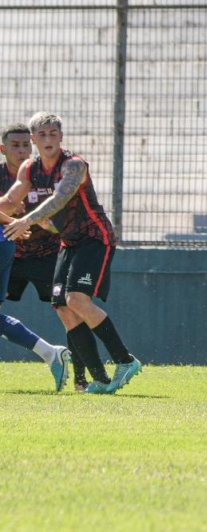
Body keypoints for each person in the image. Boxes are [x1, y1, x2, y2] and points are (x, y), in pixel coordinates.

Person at [1, 112, 141, 395]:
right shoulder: (30, 168)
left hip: (94, 237)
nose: (49, 139)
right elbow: (9, 200)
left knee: (76, 299)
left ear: (61, 137)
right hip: (67, 242)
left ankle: (125, 360)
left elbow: (60, 198)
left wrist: (27, 220)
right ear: (34, 139)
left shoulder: (73, 164)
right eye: (42, 135)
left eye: (54, 134)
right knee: (64, 308)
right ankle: (99, 378)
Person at [0, 123, 71, 391]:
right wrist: (15, 221)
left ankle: (84, 371)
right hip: (11, 248)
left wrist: (21, 222)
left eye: (24, 145)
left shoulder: (40, 171)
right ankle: (51, 353)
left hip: (44, 253)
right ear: (3, 149)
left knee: (69, 307)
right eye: (14, 145)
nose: (21, 150)